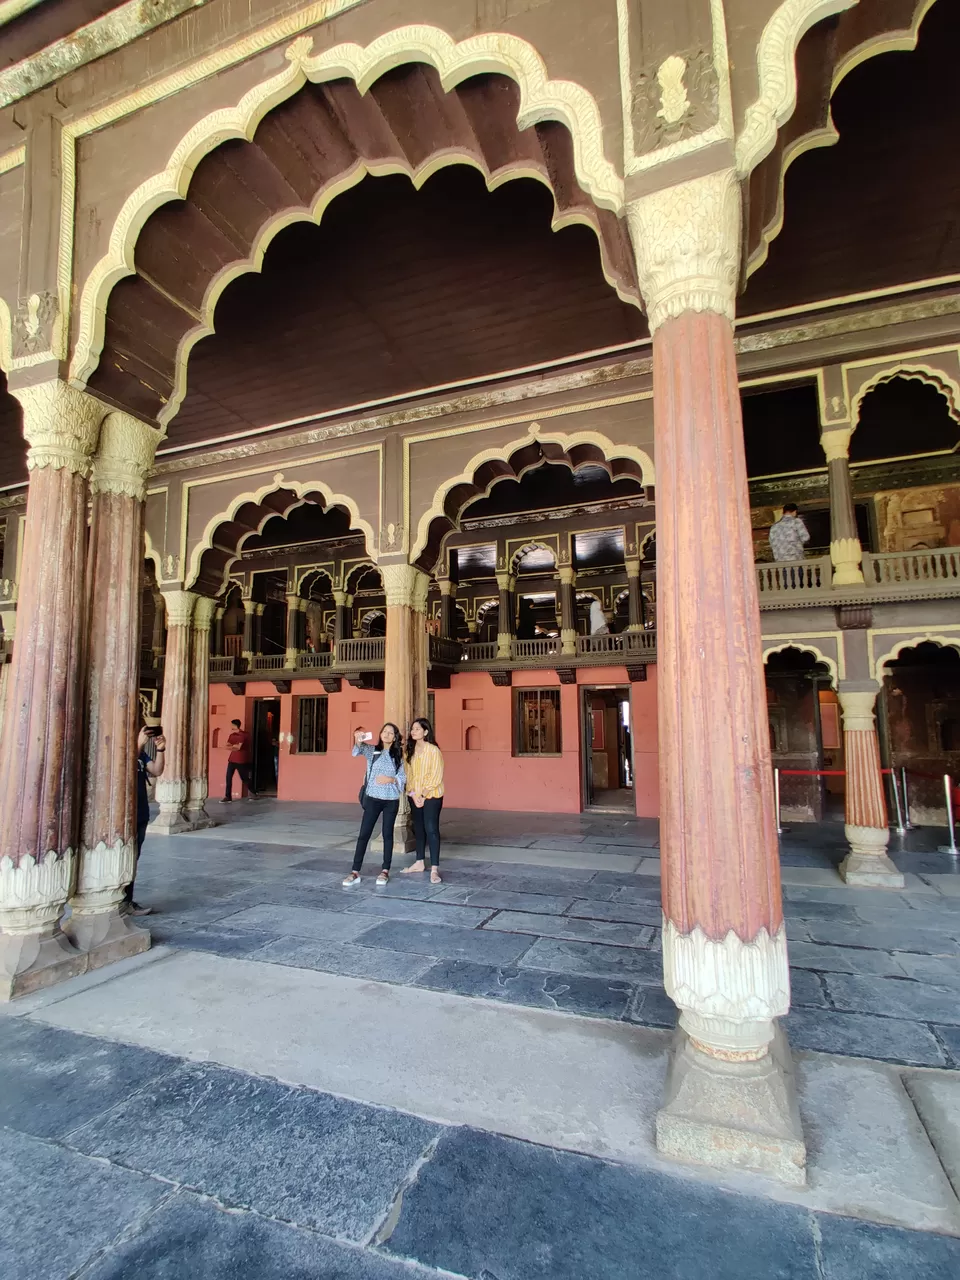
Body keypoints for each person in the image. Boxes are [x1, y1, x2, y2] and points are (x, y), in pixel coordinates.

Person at [343, 724, 406, 887]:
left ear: (395, 737)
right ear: (380, 734)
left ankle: (385, 870)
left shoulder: (398, 755)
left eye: (391, 733)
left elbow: (403, 778)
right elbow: (356, 751)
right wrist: (357, 739)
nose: (387, 734)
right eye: (384, 731)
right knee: (364, 834)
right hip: (373, 798)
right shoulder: (373, 751)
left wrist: (390, 780)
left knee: (387, 835)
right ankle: (355, 871)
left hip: (391, 800)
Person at [127, 723, 166, 916]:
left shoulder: (140, 755)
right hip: (124, 815)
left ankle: (127, 901)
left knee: (133, 858)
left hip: (141, 812)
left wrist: (161, 749)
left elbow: (157, 770)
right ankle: (120, 902)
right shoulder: (122, 752)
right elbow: (121, 768)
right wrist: (138, 745)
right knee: (124, 857)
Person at [400, 718, 445, 884]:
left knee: (431, 829)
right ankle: (419, 862)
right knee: (418, 829)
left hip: (432, 796)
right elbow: (408, 776)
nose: (414, 731)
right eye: (413, 729)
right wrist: (412, 794)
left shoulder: (433, 751)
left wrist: (423, 795)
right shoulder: (409, 752)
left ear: (426, 732)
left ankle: (434, 868)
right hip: (415, 796)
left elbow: (437, 775)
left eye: (418, 729)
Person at [224, 718, 255, 801]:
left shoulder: (244, 735)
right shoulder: (232, 735)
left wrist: (233, 747)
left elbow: (238, 748)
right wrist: (234, 747)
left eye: (232, 725)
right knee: (228, 778)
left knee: (244, 778)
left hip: (241, 760)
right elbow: (226, 746)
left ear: (235, 725)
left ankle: (253, 792)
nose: (230, 726)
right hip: (232, 759)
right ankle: (228, 796)